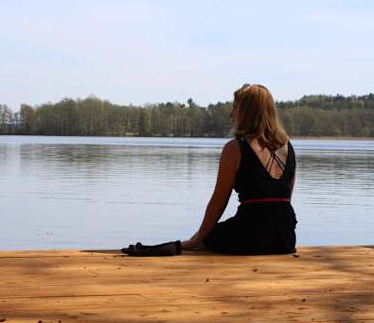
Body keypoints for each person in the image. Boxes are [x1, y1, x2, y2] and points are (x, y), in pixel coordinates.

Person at [122, 83, 297, 256]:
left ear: (247, 112)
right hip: (284, 240)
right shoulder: (288, 148)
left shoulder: (235, 149)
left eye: (235, 108)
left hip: (250, 236)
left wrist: (197, 239)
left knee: (209, 237)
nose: (231, 114)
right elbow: (284, 200)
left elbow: (218, 201)